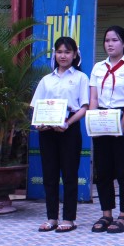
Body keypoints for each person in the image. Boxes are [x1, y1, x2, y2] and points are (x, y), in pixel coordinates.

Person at [89, 26, 124, 234]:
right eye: (107, 40)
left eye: (115, 40)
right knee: (103, 171)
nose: (110, 44)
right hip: (102, 118)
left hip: (123, 118)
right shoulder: (98, 67)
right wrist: (93, 119)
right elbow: (93, 97)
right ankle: (106, 214)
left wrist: (122, 121)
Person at [31, 37, 89, 233]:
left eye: (67, 52)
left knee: (70, 174)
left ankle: (69, 218)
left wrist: (67, 123)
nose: (63, 56)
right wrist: (39, 124)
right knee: (49, 175)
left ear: (75, 55)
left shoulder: (81, 78)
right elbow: (36, 106)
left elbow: (84, 107)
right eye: (59, 52)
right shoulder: (46, 80)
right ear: (54, 54)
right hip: (48, 131)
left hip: (69, 128)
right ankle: (51, 217)